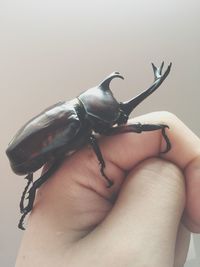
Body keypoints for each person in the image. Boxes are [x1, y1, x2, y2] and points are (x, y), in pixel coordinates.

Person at [15, 112, 200, 267]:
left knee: (46, 174)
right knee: (41, 180)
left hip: (30, 154)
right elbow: (92, 146)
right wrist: (101, 165)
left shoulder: (78, 117)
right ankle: (27, 203)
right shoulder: (75, 121)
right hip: (25, 156)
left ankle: (27, 201)